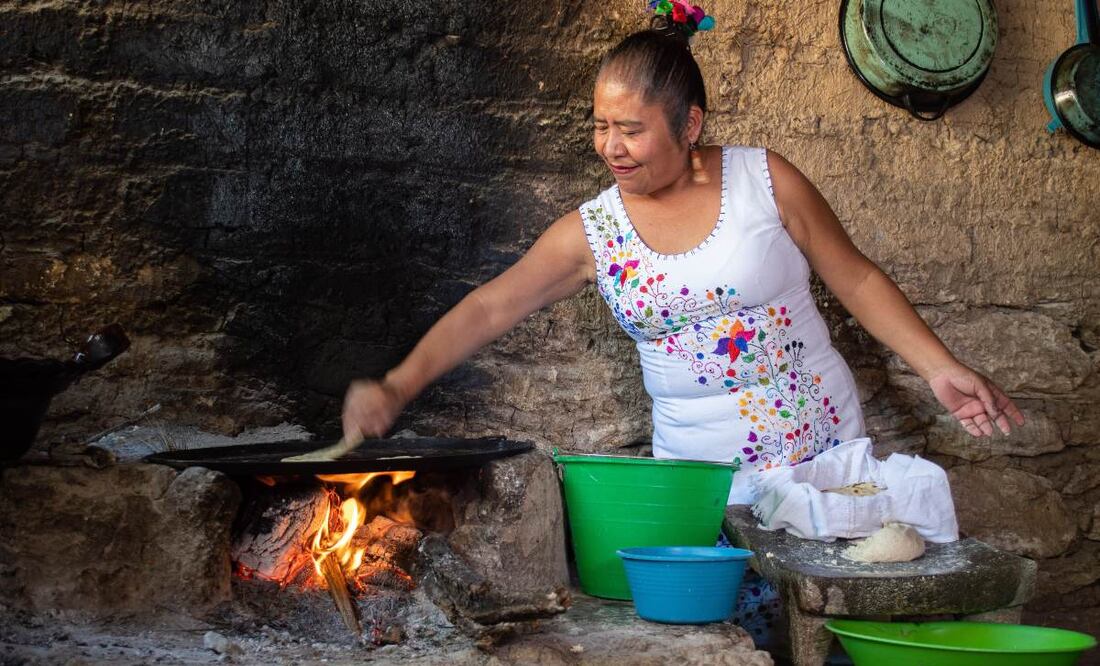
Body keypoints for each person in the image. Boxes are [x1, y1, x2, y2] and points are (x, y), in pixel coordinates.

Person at [340, 3, 1025, 648]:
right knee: (742, 640)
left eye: (632, 129)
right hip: (706, 491)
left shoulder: (764, 180)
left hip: (820, 464)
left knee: (838, 629)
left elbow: (857, 278)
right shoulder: (594, 232)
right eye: (600, 126)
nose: (612, 147)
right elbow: (491, 306)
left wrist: (939, 367)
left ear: (689, 124)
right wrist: (399, 385)